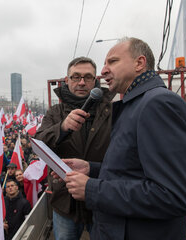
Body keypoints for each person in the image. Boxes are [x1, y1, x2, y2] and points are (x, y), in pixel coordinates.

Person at [62, 37, 186, 240]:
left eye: (112, 61)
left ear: (139, 63)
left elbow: (174, 195)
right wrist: (91, 169)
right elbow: (134, 171)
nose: (104, 70)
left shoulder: (158, 104)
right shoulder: (135, 104)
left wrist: (92, 189)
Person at [35, 56, 114, 239]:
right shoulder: (55, 112)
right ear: (67, 80)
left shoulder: (111, 110)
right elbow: (38, 144)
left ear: (95, 81)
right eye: (75, 77)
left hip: (102, 196)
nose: (81, 82)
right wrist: (61, 128)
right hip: (65, 200)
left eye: (87, 77)